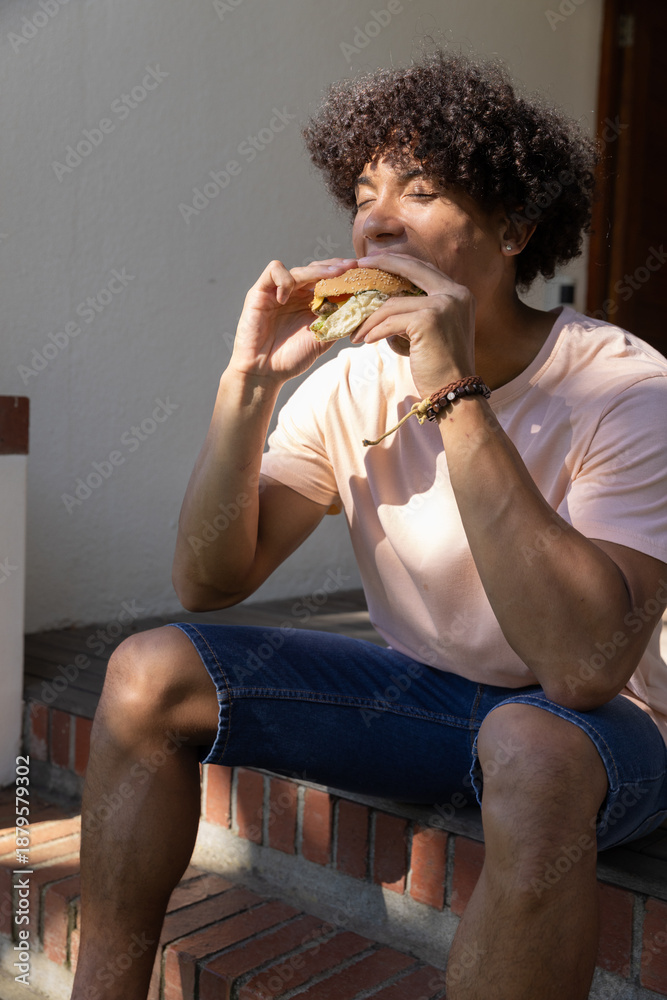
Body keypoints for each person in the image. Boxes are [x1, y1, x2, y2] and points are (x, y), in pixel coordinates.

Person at [71, 52, 667, 1000]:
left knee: (530, 744)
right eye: (363, 192)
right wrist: (250, 388)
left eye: (420, 191)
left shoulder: (625, 388)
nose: (376, 219)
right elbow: (210, 579)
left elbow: (585, 668)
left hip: (597, 735)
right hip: (426, 702)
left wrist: (450, 385)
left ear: (514, 228)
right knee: (146, 672)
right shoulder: (352, 378)